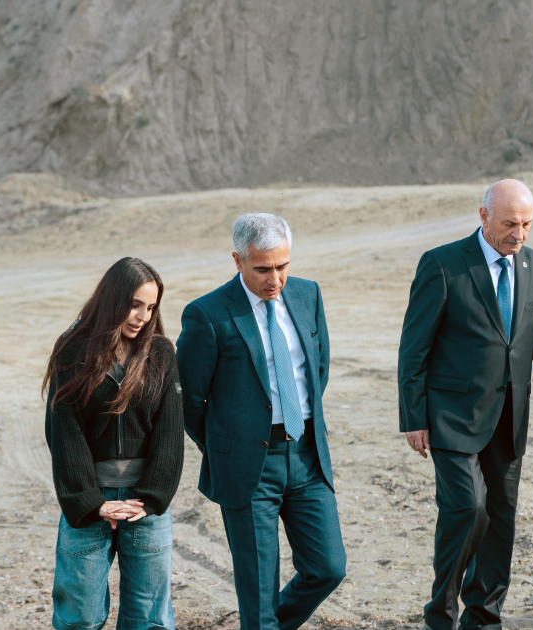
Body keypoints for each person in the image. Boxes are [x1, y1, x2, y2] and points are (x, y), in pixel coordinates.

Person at [398, 179, 533, 630]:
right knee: (468, 509)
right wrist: (413, 417)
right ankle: (441, 615)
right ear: (483, 216)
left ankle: (484, 618)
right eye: (510, 223)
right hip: (452, 417)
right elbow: (414, 349)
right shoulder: (442, 264)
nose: (519, 234)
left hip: (510, 419)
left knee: (499, 521)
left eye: (527, 224)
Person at [176, 213, 346, 630]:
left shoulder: (308, 294)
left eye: (282, 266)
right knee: (258, 593)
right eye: (263, 269)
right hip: (248, 467)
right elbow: (190, 400)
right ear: (238, 261)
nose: (275, 279)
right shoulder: (206, 314)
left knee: (328, 567)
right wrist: (225, 446)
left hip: (307, 457)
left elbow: (318, 369)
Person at [43, 257, 184, 630]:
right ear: (113, 299)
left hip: (144, 506)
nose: (142, 317)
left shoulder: (160, 353)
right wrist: (90, 503)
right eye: (135, 304)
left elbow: (170, 431)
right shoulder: (72, 352)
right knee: (80, 618)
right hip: (90, 503)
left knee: (149, 620)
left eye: (150, 307)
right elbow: (64, 432)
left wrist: (152, 499)